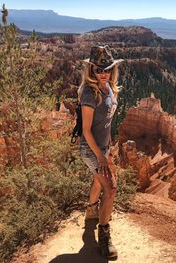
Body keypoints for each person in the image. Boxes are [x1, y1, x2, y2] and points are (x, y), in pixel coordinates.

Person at [78, 45, 123, 259]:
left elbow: (107, 122)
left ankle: (90, 212)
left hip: (103, 148)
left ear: (112, 70)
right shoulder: (89, 92)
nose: (103, 73)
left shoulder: (110, 89)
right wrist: (100, 156)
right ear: (92, 70)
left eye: (106, 69)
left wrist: (110, 148)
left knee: (98, 182)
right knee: (111, 188)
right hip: (91, 149)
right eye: (98, 69)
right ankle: (104, 236)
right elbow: (86, 131)